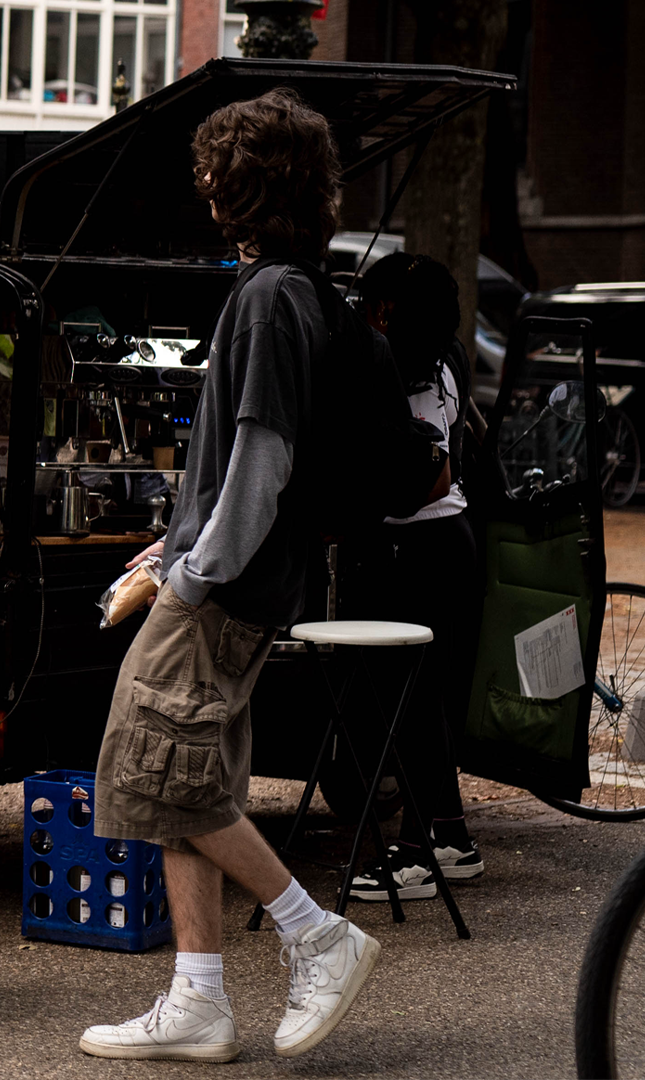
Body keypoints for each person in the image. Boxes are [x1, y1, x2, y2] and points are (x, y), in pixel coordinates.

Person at [78, 88, 379, 1063]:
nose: (203, 187)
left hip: (222, 597)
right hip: (235, 582)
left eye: (214, 172)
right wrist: (173, 549)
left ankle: (315, 935)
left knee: (152, 770)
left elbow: (261, 462)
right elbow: (248, 471)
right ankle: (199, 998)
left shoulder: (266, 300)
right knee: (179, 777)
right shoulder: (300, 292)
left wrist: (192, 575)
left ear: (238, 188)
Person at [345, 252, 485, 902]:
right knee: (430, 698)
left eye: (375, 305)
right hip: (451, 539)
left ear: (390, 311)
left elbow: (406, 483)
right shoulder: (450, 354)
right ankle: (451, 834)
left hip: (418, 545)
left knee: (413, 707)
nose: (368, 315)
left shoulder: (393, 366)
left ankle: (414, 855)